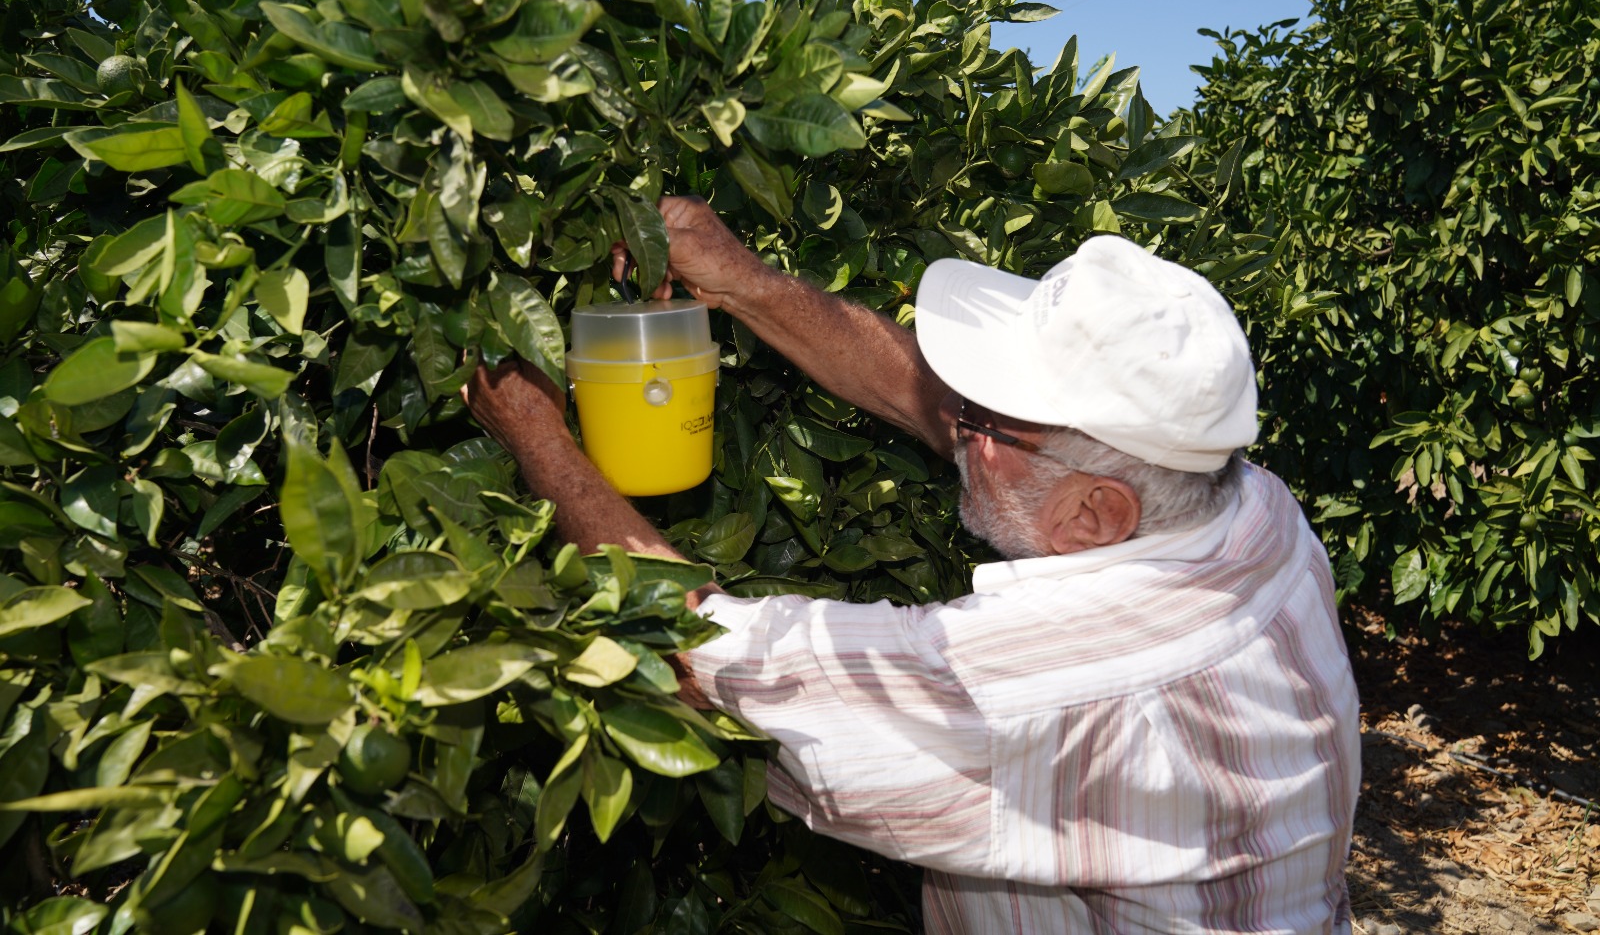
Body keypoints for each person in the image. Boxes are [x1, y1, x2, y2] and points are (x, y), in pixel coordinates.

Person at [462, 195, 1361, 935]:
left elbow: (701, 650)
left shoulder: (1044, 683)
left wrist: (536, 432)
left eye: (985, 422)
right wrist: (742, 283)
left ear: (1095, 512)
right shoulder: (1246, 506)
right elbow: (934, 405)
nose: (955, 421)